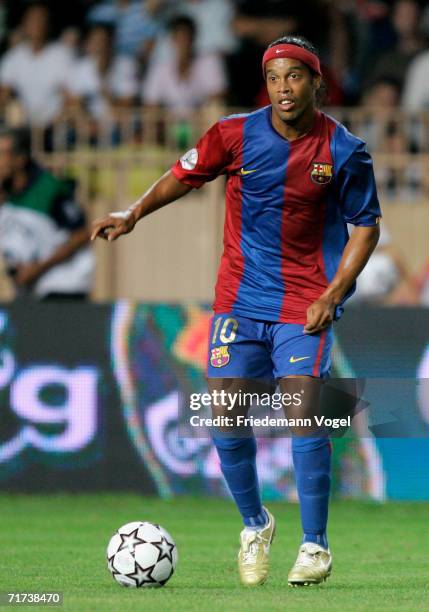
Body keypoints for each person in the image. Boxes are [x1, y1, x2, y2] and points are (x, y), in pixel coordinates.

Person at [92, 35, 381, 587]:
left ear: (317, 83)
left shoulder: (344, 150)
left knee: (303, 415)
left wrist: (332, 294)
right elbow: (184, 175)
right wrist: (132, 214)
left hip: (304, 302)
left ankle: (315, 546)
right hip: (239, 302)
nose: (282, 89)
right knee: (225, 418)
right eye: (273, 79)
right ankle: (255, 525)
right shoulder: (233, 134)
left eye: (294, 77)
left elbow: (365, 227)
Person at [0, 127, 94, 300]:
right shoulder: (7, 194)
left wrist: (39, 268)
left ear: (20, 159)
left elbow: (82, 234)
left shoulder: (48, 189)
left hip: (63, 287)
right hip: (29, 292)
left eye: (2, 154)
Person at [0, 3, 73, 127]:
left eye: (41, 20)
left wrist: (55, 122)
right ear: (24, 25)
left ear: (49, 25)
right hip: (23, 126)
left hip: (57, 126)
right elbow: (3, 95)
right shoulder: (13, 57)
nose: (37, 25)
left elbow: (71, 98)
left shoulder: (62, 55)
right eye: (33, 21)